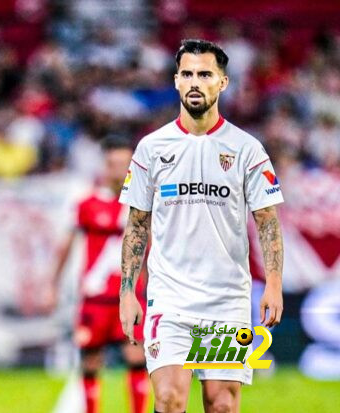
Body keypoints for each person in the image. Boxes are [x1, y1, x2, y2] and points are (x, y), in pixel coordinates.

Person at [119, 39, 284, 413]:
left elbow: (268, 222)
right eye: (188, 74)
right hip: (169, 299)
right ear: (176, 81)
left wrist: (273, 284)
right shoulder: (150, 148)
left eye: (205, 74)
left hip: (227, 300)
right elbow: (136, 226)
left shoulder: (247, 149)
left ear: (222, 83)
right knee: (168, 399)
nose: (195, 82)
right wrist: (127, 291)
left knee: (222, 403)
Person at [48, 136, 149, 413]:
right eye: (113, 164)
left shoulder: (143, 203)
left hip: (131, 297)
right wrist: (52, 284)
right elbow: (66, 246)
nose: (119, 170)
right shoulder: (86, 202)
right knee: (91, 360)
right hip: (95, 297)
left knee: (136, 356)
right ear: (104, 165)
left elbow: (151, 250)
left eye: (124, 164)